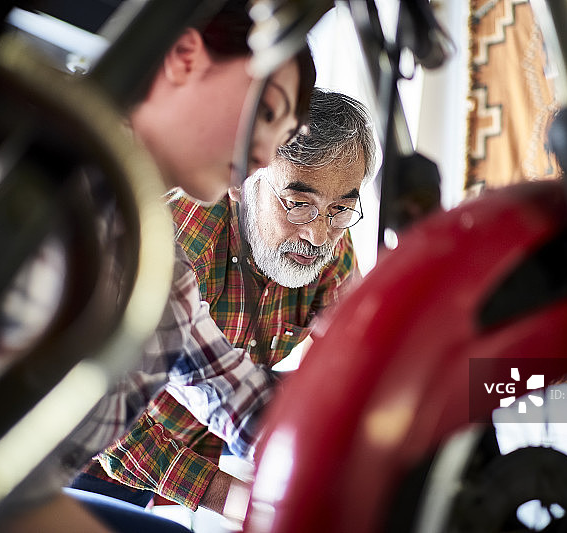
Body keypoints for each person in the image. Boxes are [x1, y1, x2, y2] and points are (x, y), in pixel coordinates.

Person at [0, 1, 315, 531]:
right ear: (184, 56)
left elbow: (242, 399)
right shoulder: (7, 161)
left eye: (283, 135)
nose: (267, 154)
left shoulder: (158, 273)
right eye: (270, 112)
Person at [71, 89, 376, 520]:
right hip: (93, 460)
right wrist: (239, 501)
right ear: (242, 180)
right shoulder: (174, 245)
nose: (318, 234)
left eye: (341, 208)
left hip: (204, 448)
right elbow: (104, 421)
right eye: (298, 205)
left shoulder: (331, 251)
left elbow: (350, 363)